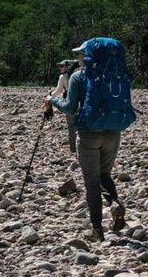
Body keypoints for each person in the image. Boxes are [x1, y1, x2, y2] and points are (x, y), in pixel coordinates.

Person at [44, 41, 127, 241]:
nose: (78, 57)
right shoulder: (116, 75)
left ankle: (97, 229)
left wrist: (51, 100)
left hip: (89, 133)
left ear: (87, 56)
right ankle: (114, 202)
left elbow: (70, 107)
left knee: (91, 182)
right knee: (105, 174)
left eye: (81, 54)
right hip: (113, 132)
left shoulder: (78, 76)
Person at [51, 59, 78, 153]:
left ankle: (73, 150)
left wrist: (50, 95)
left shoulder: (63, 77)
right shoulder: (78, 74)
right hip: (80, 103)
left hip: (69, 102)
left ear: (67, 67)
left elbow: (58, 91)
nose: (60, 68)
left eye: (62, 66)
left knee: (71, 127)